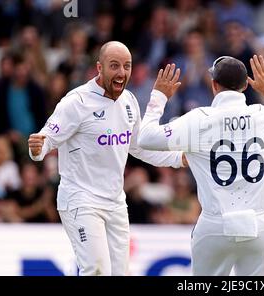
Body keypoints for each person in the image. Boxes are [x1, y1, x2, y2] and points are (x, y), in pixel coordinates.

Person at [137, 55, 264, 275]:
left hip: (214, 225)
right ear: (246, 85)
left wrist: (159, 97)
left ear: (214, 85)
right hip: (259, 224)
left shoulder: (198, 119)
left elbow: (145, 138)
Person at [27, 41, 184, 276]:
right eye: (115, 66)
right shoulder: (77, 102)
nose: (122, 73)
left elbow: (140, 148)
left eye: (127, 66)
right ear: (99, 68)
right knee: (97, 271)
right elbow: (46, 140)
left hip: (115, 203)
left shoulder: (129, 101)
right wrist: (36, 149)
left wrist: (179, 159)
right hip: (81, 200)